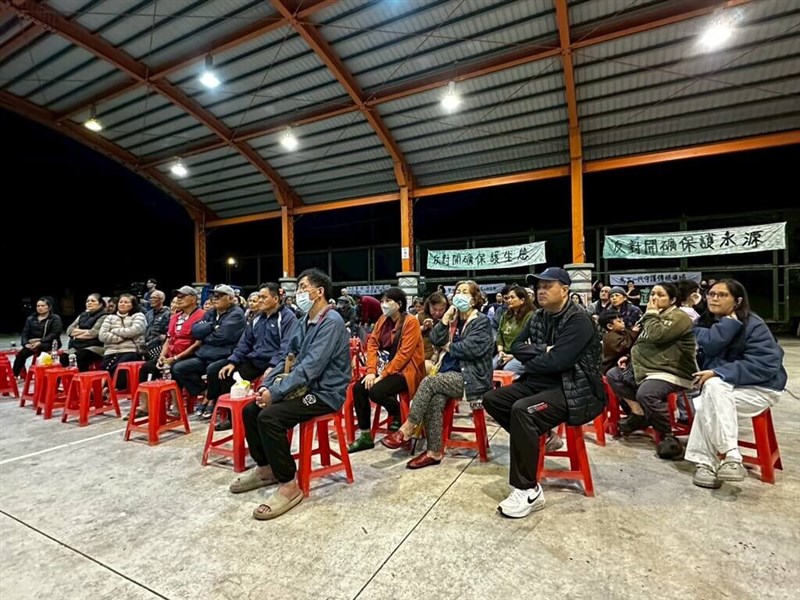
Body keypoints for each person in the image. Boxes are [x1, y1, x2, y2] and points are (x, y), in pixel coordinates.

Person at [482, 267, 604, 519]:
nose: (541, 291)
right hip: (538, 382)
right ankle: (545, 435)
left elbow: (559, 361)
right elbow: (516, 346)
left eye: (547, 286)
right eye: (538, 287)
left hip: (572, 389)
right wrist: (544, 350)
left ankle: (528, 489)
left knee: (523, 411)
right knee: (492, 399)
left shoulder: (579, 320)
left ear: (565, 290)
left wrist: (537, 356)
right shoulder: (538, 317)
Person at [228, 268, 350, 520]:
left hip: (324, 393)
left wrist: (276, 393)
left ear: (319, 292)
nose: (299, 292)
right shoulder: (304, 321)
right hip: (303, 387)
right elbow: (287, 355)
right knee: (251, 410)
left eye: (303, 287)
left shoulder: (331, 321)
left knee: (270, 417)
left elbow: (310, 367)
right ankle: (266, 468)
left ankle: (288, 484)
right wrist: (267, 385)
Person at [381, 280, 493, 470]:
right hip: (446, 375)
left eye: (465, 292)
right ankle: (434, 452)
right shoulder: (454, 320)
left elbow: (469, 350)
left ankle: (408, 428)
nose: (459, 295)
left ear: (474, 300)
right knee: (435, 399)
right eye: (457, 291)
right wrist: (445, 319)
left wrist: (448, 346)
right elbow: (435, 339)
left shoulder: (481, 321)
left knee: (429, 382)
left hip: (470, 378)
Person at [686, 279, 787, 489]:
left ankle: (707, 462)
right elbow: (707, 347)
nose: (714, 298)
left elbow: (766, 364)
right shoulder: (703, 324)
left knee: (709, 396)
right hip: (722, 389)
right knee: (711, 393)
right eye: (711, 294)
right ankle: (730, 457)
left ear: (737, 301)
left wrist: (719, 372)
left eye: (722, 295)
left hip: (760, 388)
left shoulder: (753, 325)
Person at [606, 282, 696, 459]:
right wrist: (630, 357)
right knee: (613, 374)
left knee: (646, 393)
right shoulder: (652, 316)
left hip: (669, 370)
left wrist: (651, 314)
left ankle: (667, 436)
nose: (654, 298)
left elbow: (657, 335)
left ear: (673, 300)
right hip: (646, 368)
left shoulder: (679, 316)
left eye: (660, 295)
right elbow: (643, 341)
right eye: (653, 294)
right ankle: (639, 413)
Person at [207, 282, 298, 428]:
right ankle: (232, 418)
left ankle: (262, 419)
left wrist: (273, 366)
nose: (260, 300)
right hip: (255, 360)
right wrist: (232, 362)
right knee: (224, 373)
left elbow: (286, 347)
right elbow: (244, 343)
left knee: (269, 385)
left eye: (263, 297)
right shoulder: (256, 318)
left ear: (276, 299)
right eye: (259, 297)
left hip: (276, 362)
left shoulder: (288, 318)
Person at [348, 287, 425, 453]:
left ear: (399, 304)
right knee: (359, 388)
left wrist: (381, 376)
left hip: (406, 370)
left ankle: (398, 414)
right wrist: (370, 371)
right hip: (385, 365)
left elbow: (404, 355)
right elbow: (372, 344)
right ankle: (365, 436)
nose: (383, 304)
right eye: (382, 301)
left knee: (376, 391)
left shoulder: (411, 322)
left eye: (388, 301)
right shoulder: (383, 319)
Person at [13, 296, 64, 377]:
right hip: (33, 343)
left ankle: (41, 375)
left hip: (50, 342)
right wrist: (25, 344)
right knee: (21, 354)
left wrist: (40, 341)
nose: (40, 308)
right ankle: (14, 375)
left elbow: (55, 333)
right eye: (38, 306)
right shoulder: (31, 319)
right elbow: (25, 333)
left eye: (43, 306)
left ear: (49, 307)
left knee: (41, 350)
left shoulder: (55, 318)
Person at [60, 293, 107, 371]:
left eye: (93, 301)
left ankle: (82, 378)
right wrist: (86, 332)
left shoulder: (104, 316)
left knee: (80, 356)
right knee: (63, 358)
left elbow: (93, 333)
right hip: (79, 346)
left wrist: (76, 334)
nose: (89, 303)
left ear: (100, 304)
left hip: (96, 347)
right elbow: (69, 330)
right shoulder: (83, 315)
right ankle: (68, 378)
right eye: (87, 301)